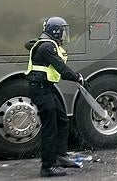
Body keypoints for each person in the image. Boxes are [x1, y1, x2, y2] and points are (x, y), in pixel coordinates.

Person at [25, 17, 84, 177]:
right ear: (55, 31)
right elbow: (61, 68)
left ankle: (60, 156)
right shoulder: (47, 47)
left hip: (47, 88)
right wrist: (78, 77)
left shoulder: (48, 44)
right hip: (40, 89)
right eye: (63, 31)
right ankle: (47, 166)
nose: (65, 35)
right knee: (50, 127)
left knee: (62, 120)